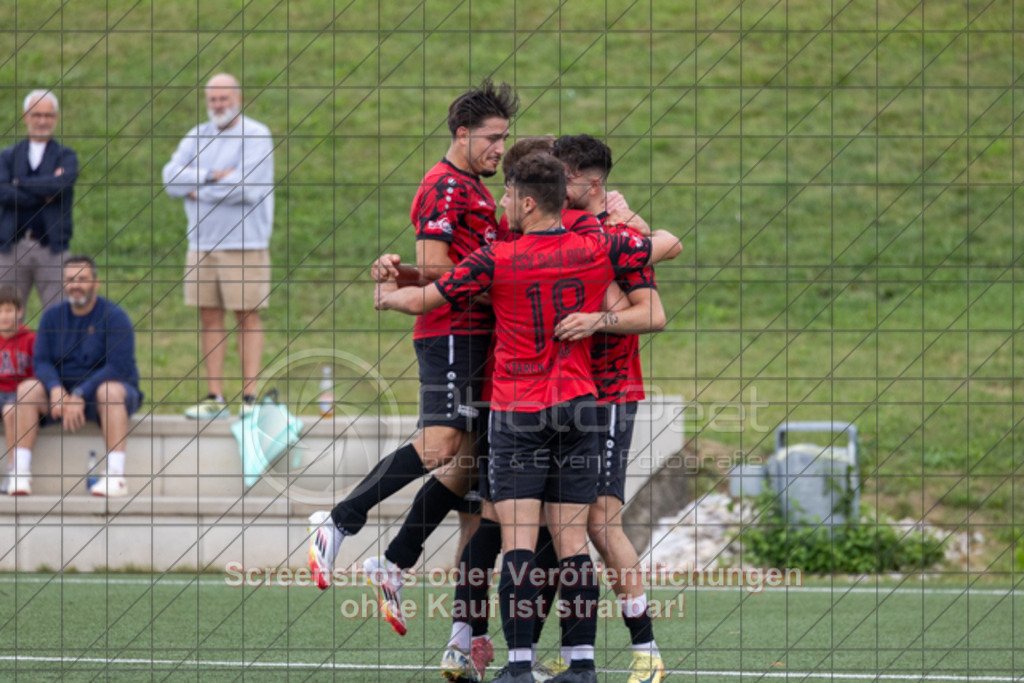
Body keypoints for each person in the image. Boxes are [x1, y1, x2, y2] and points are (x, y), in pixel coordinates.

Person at [377, 152, 680, 683]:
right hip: (582, 408)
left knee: (516, 540)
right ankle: (582, 666)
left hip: (520, 411)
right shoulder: (598, 244)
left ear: (529, 201)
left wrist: (387, 293)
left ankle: (519, 666)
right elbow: (658, 246)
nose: (503, 204)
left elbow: (428, 297)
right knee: (572, 543)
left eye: (510, 196)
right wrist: (627, 221)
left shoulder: (498, 257)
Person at [307, 80, 519, 636]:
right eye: (493, 138)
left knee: (468, 463)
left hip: (479, 336)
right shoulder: (445, 187)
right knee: (442, 443)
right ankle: (338, 520)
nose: (500, 148)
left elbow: (438, 267)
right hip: (452, 331)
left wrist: (402, 273)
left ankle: (394, 560)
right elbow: (436, 270)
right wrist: (408, 277)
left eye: (505, 138)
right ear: (462, 133)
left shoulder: (471, 187)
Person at [162, 73, 274, 419]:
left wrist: (196, 187)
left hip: (245, 243)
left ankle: (250, 399)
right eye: (213, 100)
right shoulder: (197, 136)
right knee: (209, 317)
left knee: (246, 316)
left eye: (224, 99)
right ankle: (215, 397)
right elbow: (169, 179)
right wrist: (212, 176)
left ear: (238, 98)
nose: (218, 105)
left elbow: (247, 188)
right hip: (201, 243)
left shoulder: (256, 135)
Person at [3, 255, 142, 497]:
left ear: (96, 283)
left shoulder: (115, 317)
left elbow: (118, 366)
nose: (76, 285)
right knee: (26, 389)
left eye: (82, 279)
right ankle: (20, 473)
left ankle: (116, 476)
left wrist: (80, 394)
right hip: (60, 397)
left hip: (104, 394)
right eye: (70, 279)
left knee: (108, 391)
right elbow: (41, 360)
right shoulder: (52, 317)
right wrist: (56, 389)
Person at [0, 90, 79, 313]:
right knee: (5, 317)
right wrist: (43, 192)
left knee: (60, 317)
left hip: (51, 248)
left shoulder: (66, 156)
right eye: (37, 115)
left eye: (49, 115)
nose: (43, 121)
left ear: (56, 118)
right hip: (11, 248)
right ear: (25, 116)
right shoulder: (7, 156)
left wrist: (18, 182)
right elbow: (2, 192)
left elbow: (60, 186)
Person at [0, 286, 35, 492]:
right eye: (0, 310)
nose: (4, 316)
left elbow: (35, 373)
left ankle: (14, 470)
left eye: (9, 310)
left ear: (20, 312)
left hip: (17, 392)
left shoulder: (30, 339)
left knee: (11, 411)